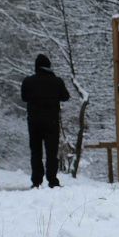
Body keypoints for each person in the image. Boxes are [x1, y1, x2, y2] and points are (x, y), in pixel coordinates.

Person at [21, 53, 70, 188]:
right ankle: (52, 180)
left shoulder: (28, 81)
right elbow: (65, 96)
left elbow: (24, 97)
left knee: (36, 152)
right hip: (51, 122)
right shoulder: (57, 81)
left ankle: (36, 181)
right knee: (51, 152)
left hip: (34, 122)